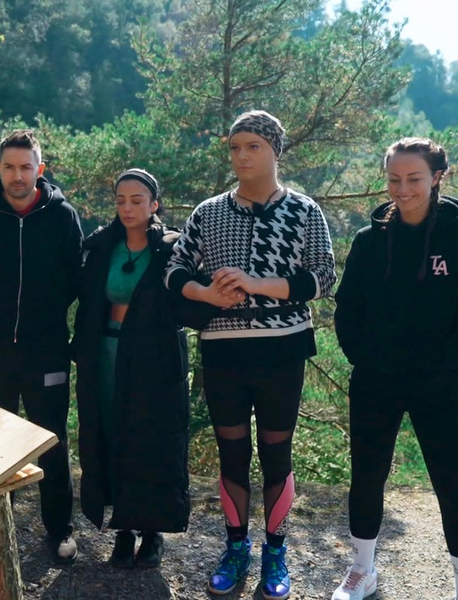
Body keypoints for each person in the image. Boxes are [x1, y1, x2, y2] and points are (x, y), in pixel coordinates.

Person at [164, 110, 336, 599]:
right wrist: (204, 294)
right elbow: (174, 269)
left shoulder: (305, 211)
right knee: (232, 455)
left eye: (252, 146)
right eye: (235, 147)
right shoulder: (208, 211)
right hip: (223, 354)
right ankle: (235, 546)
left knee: (276, 456)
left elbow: (323, 276)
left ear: (274, 151)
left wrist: (260, 285)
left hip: (283, 352)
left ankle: (276, 553)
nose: (241, 155)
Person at [331, 137, 458, 600]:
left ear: (438, 176)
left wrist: (447, 369)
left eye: (414, 179)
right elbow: (348, 309)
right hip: (377, 381)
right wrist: (364, 358)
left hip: (444, 386)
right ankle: (363, 570)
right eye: (393, 179)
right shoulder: (370, 241)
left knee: (452, 478)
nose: (402, 189)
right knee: (366, 474)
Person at [0, 129, 84, 564]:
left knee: (50, 437)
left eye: (26, 167)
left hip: (46, 347)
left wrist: (42, 316)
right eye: (9, 167)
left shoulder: (62, 216)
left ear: (39, 170)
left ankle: (60, 529)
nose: (17, 175)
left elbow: (74, 276)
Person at [72, 168, 192, 568]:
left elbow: (188, 299)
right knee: (111, 433)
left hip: (152, 360)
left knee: (151, 439)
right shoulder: (103, 247)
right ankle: (122, 529)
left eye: (137, 200)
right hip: (107, 354)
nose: (127, 207)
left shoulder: (171, 249)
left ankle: (153, 533)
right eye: (121, 200)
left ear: (154, 205)